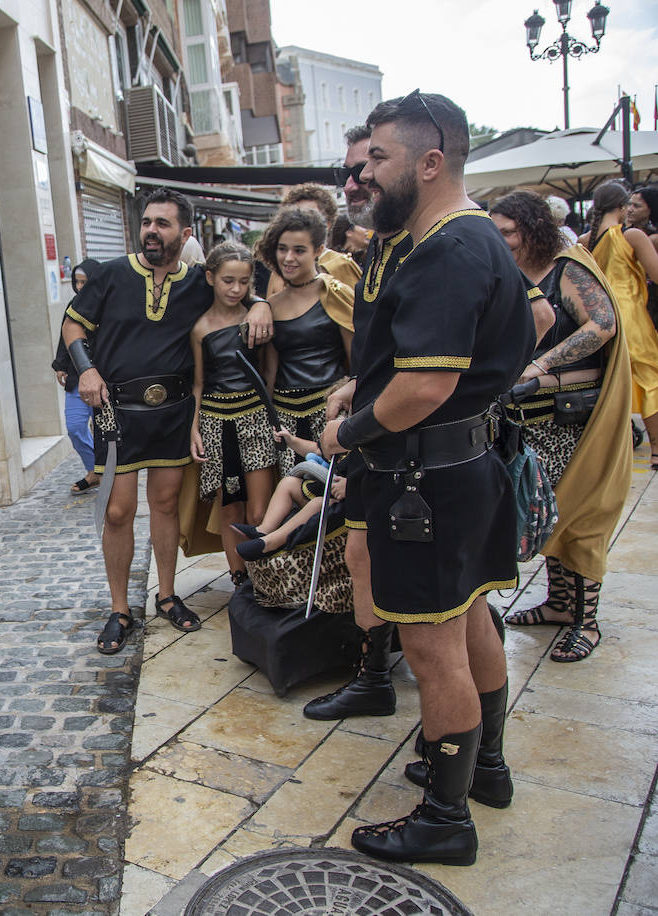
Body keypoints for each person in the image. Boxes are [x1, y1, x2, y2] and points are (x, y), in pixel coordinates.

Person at [322, 91, 534, 866]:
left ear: (430, 161)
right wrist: (366, 387)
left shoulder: (448, 247)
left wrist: (348, 429)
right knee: (472, 619)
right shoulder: (460, 240)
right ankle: (487, 769)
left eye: (379, 158)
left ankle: (445, 818)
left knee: (432, 648)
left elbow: (427, 388)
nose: (366, 173)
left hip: (430, 482)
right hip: (460, 469)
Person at [63, 188, 273, 654]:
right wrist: (87, 369)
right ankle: (120, 609)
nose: (151, 231)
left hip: (174, 411)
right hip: (118, 411)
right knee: (118, 512)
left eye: (162, 223)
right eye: (146, 223)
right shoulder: (114, 275)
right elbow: (73, 325)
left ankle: (166, 594)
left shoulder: (199, 281)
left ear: (185, 233)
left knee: (164, 504)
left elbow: (236, 292)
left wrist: (261, 303)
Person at [301, 123, 415, 723]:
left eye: (367, 165)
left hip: (425, 449)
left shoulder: (440, 245)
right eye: (348, 170)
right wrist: (354, 386)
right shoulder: (379, 247)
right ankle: (373, 677)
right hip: (377, 438)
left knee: (445, 602)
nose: (354, 181)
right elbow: (386, 350)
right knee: (361, 555)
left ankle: (472, 751)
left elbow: (534, 320)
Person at [491, 190, 631, 662]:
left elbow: (603, 325)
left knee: (581, 514)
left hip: (574, 419)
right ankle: (557, 603)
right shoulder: (513, 273)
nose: (502, 240)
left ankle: (585, 621)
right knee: (549, 513)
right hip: (529, 420)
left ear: (532, 228)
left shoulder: (567, 267)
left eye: (508, 231)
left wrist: (540, 366)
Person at [189, 241, 278, 583]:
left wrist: (269, 417)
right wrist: (194, 428)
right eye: (228, 280)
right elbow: (198, 382)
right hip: (215, 422)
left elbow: (270, 371)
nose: (236, 288)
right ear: (211, 277)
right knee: (229, 505)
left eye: (243, 281)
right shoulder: (200, 328)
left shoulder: (255, 319)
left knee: (259, 507)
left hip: (254, 418)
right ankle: (238, 576)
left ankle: (262, 576)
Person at [257, 206, 354, 476]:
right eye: (282, 248)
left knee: (325, 497)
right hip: (284, 415)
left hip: (329, 411)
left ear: (318, 250)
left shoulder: (336, 293)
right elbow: (270, 372)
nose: (288, 258)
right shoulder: (270, 305)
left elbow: (356, 362)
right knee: (288, 495)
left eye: (299, 250)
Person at [579, 180, 658, 468]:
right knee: (650, 379)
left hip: (599, 318)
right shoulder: (633, 236)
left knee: (612, 380)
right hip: (632, 317)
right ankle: (656, 449)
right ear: (623, 207)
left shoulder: (584, 240)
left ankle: (616, 448)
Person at [52, 258, 103, 494]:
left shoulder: (108, 304)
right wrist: (60, 364)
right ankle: (94, 469)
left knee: (108, 431)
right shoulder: (73, 305)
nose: (81, 287)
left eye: (85, 282)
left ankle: (105, 473)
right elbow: (66, 336)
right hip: (77, 376)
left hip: (107, 378)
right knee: (74, 427)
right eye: (77, 282)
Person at [279, 182, 364, 289]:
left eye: (309, 216)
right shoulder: (281, 266)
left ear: (327, 223)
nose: (300, 222)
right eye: (294, 216)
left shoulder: (341, 265)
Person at [623, 185, 658, 328]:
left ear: (651, 209)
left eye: (636, 206)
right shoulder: (625, 232)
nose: (630, 209)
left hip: (649, 300)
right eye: (629, 204)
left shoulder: (652, 238)